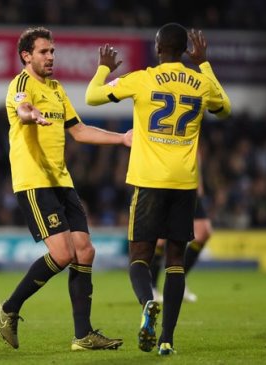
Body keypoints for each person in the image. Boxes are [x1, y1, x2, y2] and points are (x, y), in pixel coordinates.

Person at [85, 23, 231, 355]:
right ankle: (167, 339)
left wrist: (104, 68)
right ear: (185, 51)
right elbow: (225, 108)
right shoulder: (201, 82)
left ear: (157, 47)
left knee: (139, 256)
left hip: (149, 180)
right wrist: (204, 64)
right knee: (176, 260)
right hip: (184, 182)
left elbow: (92, 97)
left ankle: (148, 302)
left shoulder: (143, 78)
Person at [0, 26, 131, 351]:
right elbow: (22, 109)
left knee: (85, 251)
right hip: (34, 181)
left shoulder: (56, 88)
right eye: (44, 51)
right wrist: (31, 115)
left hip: (61, 180)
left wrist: (122, 139)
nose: (51, 56)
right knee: (63, 253)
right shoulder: (21, 84)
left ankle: (83, 336)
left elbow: (79, 131)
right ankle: (9, 308)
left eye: (53, 51)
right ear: (27, 55)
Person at [150, 158, 212, 303]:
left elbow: (196, 150)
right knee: (160, 238)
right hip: (164, 178)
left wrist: (199, 179)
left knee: (203, 232)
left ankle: (178, 283)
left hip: (188, 181)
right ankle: (151, 287)